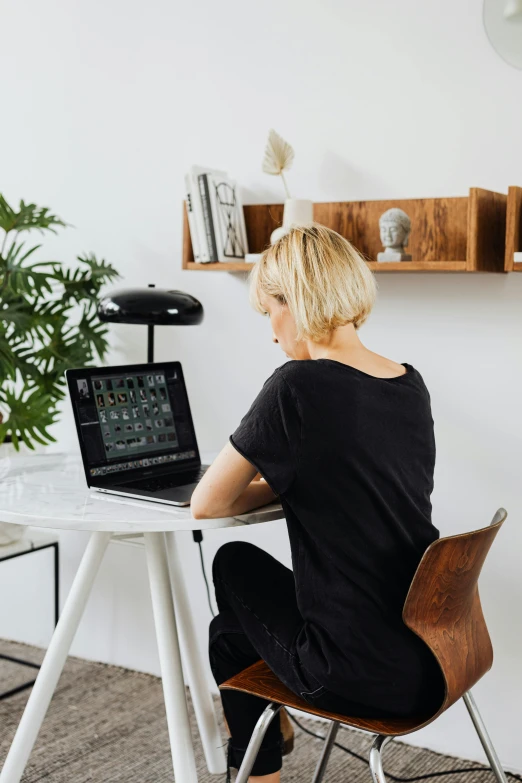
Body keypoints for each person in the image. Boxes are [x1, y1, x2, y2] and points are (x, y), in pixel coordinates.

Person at [191, 224, 445, 783]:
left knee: (232, 562)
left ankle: (262, 757)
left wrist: (280, 480)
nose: (272, 332)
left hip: (349, 669)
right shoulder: (408, 383)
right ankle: (265, 749)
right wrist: (297, 480)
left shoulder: (297, 386)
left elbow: (207, 504)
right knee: (227, 638)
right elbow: (358, 480)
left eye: (269, 312)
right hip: (431, 659)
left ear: (296, 302)